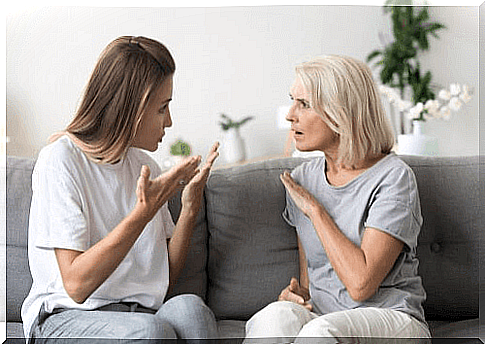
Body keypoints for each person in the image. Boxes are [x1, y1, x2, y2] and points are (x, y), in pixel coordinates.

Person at [21, 36, 220, 343]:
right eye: (161, 108)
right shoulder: (61, 160)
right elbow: (76, 285)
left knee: (191, 311)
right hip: (66, 317)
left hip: (138, 316)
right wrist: (142, 213)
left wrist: (190, 207)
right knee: (151, 332)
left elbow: (162, 282)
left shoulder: (145, 166)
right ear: (130, 109)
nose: (169, 121)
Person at [244, 55, 431, 343]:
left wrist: (316, 211)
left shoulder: (393, 177)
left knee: (320, 332)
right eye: (292, 100)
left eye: (304, 104)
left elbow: (361, 285)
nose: (290, 114)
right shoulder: (304, 179)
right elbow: (312, 280)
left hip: (391, 318)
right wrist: (297, 296)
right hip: (322, 316)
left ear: (340, 113)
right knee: (275, 317)